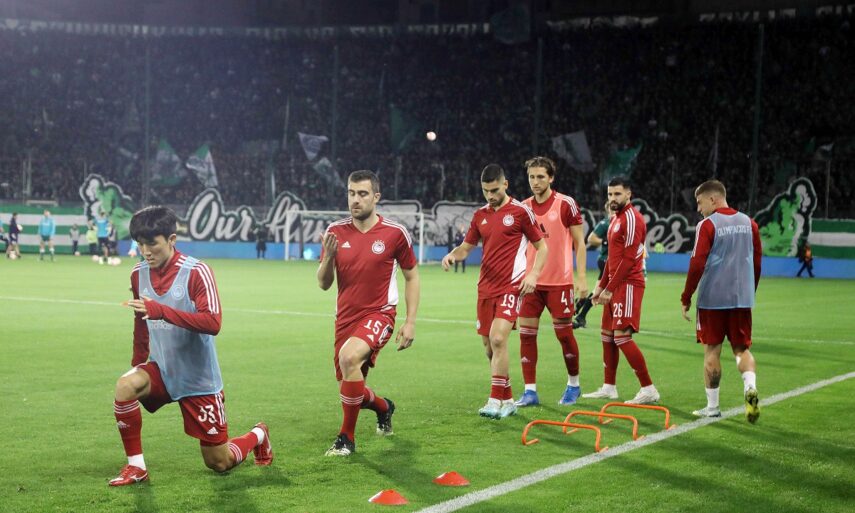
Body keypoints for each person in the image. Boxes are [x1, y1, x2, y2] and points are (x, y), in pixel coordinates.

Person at [109, 206, 273, 486]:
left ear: (172, 239)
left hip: (199, 380)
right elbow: (141, 320)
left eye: (152, 243)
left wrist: (161, 311)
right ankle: (137, 467)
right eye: (140, 244)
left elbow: (213, 322)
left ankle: (258, 435)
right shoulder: (138, 274)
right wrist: (137, 363)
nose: (146, 251)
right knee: (125, 386)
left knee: (219, 462)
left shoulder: (197, 272)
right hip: (162, 370)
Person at [317, 170, 420, 456]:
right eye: (351, 193)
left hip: (380, 313)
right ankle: (384, 407)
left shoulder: (394, 233)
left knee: (349, 358)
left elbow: (412, 276)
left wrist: (410, 322)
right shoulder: (335, 232)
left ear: (376, 197)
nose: (355, 200)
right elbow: (324, 284)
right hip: (345, 319)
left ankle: (346, 439)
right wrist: (329, 258)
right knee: (352, 388)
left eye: (362, 194)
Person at [442, 164, 547, 419]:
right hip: (485, 288)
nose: (490, 195)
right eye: (485, 191)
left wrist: (533, 274)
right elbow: (466, 248)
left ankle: (494, 400)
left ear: (505, 185)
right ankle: (508, 400)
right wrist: (452, 255)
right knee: (490, 348)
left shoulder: (521, 212)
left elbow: (542, 247)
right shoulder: (480, 215)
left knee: (499, 339)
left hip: (511, 285)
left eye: (494, 190)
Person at [680, 180, 762, 423]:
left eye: (699, 203)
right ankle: (750, 387)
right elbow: (756, 262)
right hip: (741, 298)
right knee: (741, 349)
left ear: (712, 199)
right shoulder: (750, 223)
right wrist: (749, 291)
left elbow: (697, 263)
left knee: (712, 350)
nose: (699, 209)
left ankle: (713, 407)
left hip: (712, 300)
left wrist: (686, 296)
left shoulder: (707, 225)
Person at [514, 157, 587, 407]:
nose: (535, 182)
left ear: (551, 178)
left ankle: (574, 385)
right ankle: (530, 391)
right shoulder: (523, 207)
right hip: (530, 284)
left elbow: (579, 243)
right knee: (526, 336)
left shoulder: (566, 204)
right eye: (531, 177)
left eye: (540, 177)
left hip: (559, 283)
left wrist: (581, 278)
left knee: (564, 336)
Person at [584, 176, 660, 405]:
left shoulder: (632, 219)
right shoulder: (615, 219)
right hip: (614, 284)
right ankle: (609, 387)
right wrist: (601, 285)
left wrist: (610, 288)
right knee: (607, 335)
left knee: (622, 337)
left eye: (617, 194)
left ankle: (649, 388)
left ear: (628, 194)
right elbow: (611, 258)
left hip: (628, 284)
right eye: (610, 194)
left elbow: (627, 260)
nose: (613, 198)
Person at [574, 201, 612, 328]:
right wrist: (605, 241)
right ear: (608, 210)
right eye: (611, 208)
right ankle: (581, 314)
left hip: (612, 262)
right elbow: (591, 238)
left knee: (599, 289)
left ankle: (580, 306)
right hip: (606, 260)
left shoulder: (620, 223)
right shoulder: (605, 223)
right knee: (602, 290)